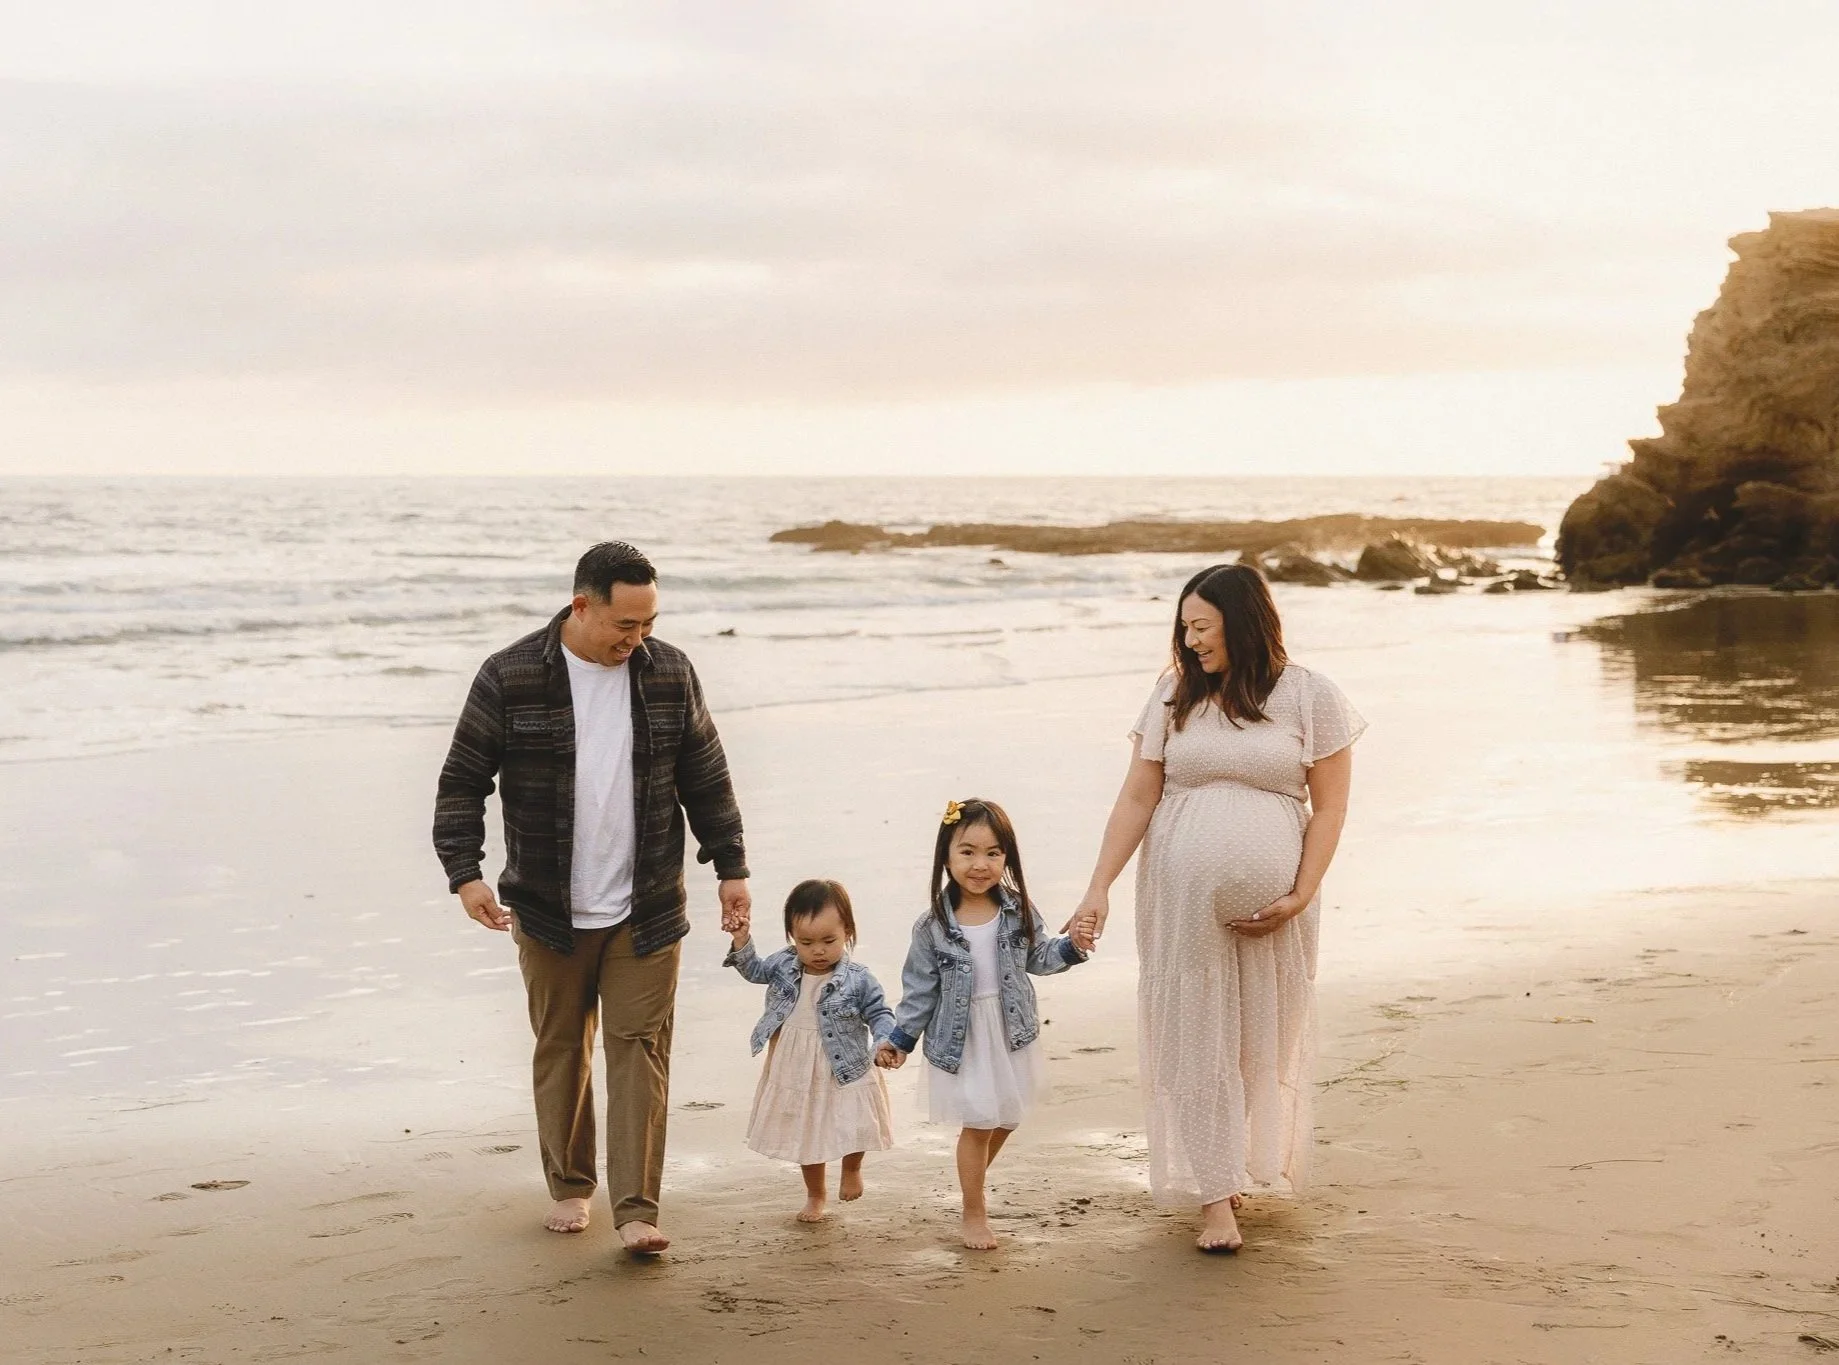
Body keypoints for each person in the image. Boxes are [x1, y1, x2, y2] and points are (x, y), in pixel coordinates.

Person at [432, 540, 752, 1256]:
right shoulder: (510, 675)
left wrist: (730, 864)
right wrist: (465, 872)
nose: (637, 639)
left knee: (638, 1047)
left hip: (647, 906)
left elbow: (706, 772)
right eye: (624, 625)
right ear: (582, 605)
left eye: (648, 623)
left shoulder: (668, 672)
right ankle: (571, 1184)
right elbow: (462, 780)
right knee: (561, 1048)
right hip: (546, 908)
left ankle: (637, 1208)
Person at [1069, 562, 1363, 1253]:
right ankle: (1214, 1199)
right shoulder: (1173, 694)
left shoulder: (1309, 695)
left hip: (1279, 908)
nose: (1189, 639)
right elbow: (1137, 796)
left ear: (1242, 620)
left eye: (1201, 625)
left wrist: (1300, 891)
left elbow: (1331, 807)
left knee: (1262, 1037)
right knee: (1197, 1037)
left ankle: (1237, 1166)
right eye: (1183, 626)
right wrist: (1096, 886)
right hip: (1180, 904)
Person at [876, 798, 1093, 1250]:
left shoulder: (1017, 909)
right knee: (977, 1124)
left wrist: (1071, 946)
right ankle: (974, 1212)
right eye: (968, 852)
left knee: (1007, 1117)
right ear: (947, 858)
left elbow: (1041, 957)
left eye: (993, 853)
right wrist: (900, 1040)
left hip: (1010, 1031)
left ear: (1007, 858)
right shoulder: (932, 926)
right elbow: (919, 992)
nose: (981, 864)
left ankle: (967, 1179)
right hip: (963, 1038)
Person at [724, 878, 896, 1222]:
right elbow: (755, 970)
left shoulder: (859, 978)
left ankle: (852, 1168)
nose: (818, 951)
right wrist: (741, 939)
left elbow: (880, 1013)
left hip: (846, 1062)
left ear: (847, 931)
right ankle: (815, 1195)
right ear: (792, 937)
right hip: (798, 1065)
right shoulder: (785, 964)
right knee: (808, 1130)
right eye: (806, 942)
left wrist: (884, 1043)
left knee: (856, 1118)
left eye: (828, 941)